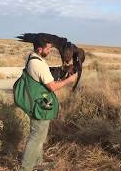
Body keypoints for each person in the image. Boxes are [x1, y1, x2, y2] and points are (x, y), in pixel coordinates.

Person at [20, 38, 77, 171]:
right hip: (39, 105)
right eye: (48, 49)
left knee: (40, 135)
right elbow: (52, 86)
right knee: (36, 136)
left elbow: (44, 76)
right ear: (40, 49)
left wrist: (62, 71)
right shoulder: (39, 64)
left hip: (38, 102)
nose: (50, 51)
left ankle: (37, 163)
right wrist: (69, 80)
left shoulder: (31, 56)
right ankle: (26, 167)